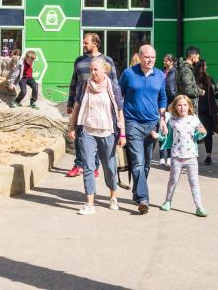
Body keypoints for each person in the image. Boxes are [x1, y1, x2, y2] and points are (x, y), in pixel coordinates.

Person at [68, 55, 125, 215]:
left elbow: (120, 110)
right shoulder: (84, 85)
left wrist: (123, 134)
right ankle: (89, 204)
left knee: (109, 168)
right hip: (87, 131)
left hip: (107, 131)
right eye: (91, 69)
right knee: (88, 166)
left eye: (95, 69)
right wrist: (72, 128)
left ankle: (113, 196)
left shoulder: (113, 87)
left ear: (104, 70)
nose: (92, 72)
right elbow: (77, 107)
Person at [118, 44, 168, 214]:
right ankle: (143, 199)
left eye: (153, 57)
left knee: (146, 163)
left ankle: (137, 192)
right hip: (133, 123)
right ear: (139, 57)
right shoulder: (128, 74)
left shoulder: (160, 75)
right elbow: (119, 97)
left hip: (152, 125)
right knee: (138, 161)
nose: (150, 60)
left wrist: (162, 118)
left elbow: (162, 98)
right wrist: (120, 122)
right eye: (147, 57)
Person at [65, 33, 118, 178]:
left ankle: (94, 166)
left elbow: (114, 84)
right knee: (79, 135)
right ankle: (78, 164)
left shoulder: (107, 61)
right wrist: (70, 102)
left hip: (100, 107)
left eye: (86, 42)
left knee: (94, 135)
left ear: (95, 43)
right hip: (80, 105)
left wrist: (116, 108)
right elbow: (74, 82)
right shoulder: (79, 61)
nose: (83, 44)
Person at [159, 94, 208, 217]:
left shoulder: (194, 119)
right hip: (176, 156)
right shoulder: (172, 121)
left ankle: (199, 207)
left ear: (189, 106)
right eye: (179, 105)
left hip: (191, 157)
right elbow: (166, 135)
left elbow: (198, 135)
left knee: (194, 183)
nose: (182, 107)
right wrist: (158, 136)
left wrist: (203, 133)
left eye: (185, 105)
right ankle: (168, 201)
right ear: (175, 106)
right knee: (173, 181)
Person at [193, 59, 218, 165]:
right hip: (207, 110)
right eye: (205, 65)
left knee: (194, 133)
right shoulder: (209, 78)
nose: (206, 67)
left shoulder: (194, 79)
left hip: (197, 110)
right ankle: (208, 156)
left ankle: (194, 155)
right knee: (208, 134)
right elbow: (215, 92)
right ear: (202, 67)